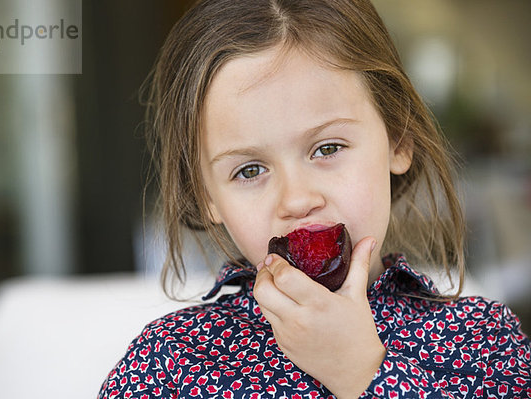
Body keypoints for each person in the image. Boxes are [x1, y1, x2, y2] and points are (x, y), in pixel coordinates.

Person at [98, 0, 531, 397]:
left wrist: (362, 372)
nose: (298, 199)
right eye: (249, 170)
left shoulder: (481, 339)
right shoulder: (170, 362)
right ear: (205, 195)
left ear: (398, 140)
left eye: (327, 148)